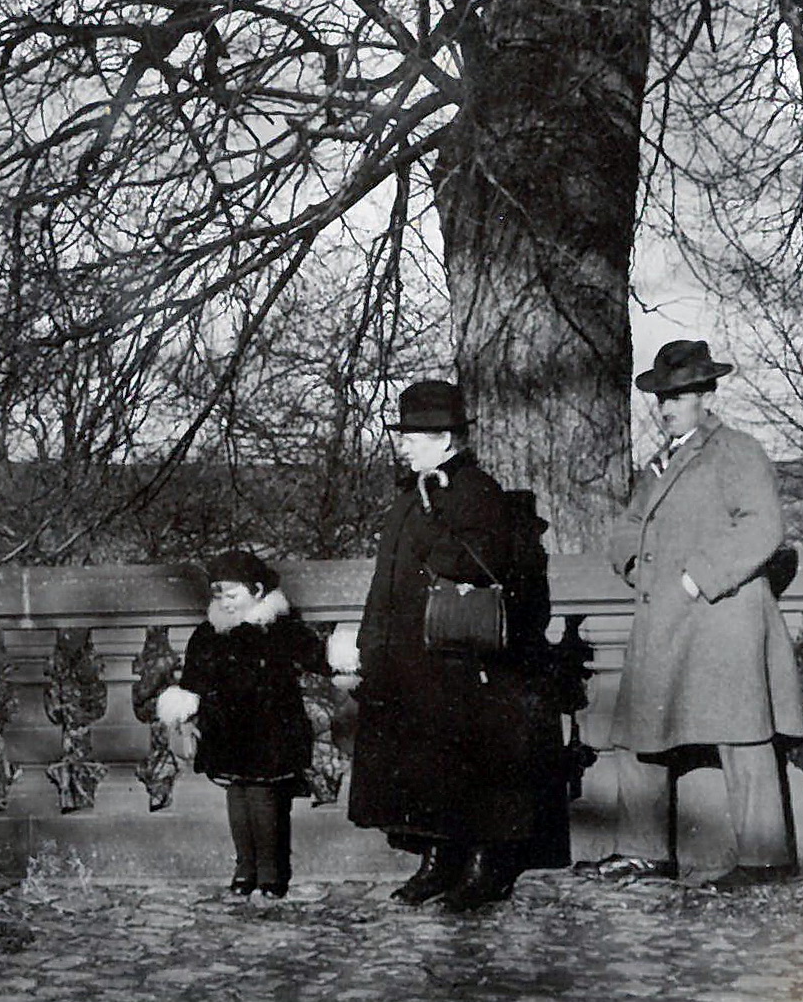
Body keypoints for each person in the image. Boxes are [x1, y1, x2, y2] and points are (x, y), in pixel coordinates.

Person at [578, 339, 803, 887]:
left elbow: (762, 527)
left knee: (743, 737)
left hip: (722, 620)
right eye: (661, 398)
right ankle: (642, 852)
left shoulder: (738, 451)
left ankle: (764, 860)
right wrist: (634, 564)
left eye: (679, 395)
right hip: (667, 624)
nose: (667, 407)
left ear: (706, 394)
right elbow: (629, 525)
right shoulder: (659, 463)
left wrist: (696, 577)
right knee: (641, 736)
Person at [336, 379, 568, 912]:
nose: (404, 444)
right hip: (414, 656)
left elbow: (471, 562)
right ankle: (438, 860)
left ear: (446, 439)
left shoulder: (474, 491)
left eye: (414, 435)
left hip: (462, 657)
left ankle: (484, 867)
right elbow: (386, 582)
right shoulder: (414, 491)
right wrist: (373, 645)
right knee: (428, 768)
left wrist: (435, 509)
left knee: (472, 766)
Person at [156, 549, 328, 898]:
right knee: (237, 794)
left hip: (271, 729)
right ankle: (244, 868)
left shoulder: (279, 629)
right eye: (219, 596)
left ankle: (271, 873)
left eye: (233, 596)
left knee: (265, 795)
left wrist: (342, 659)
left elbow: (317, 657)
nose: (226, 603)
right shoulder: (209, 634)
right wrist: (186, 714)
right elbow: (193, 680)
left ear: (259, 592)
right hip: (226, 730)